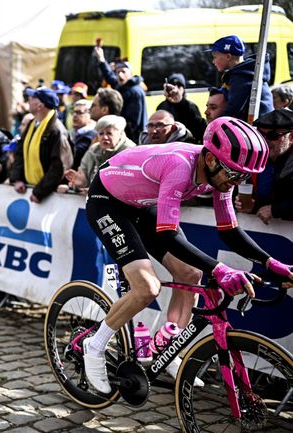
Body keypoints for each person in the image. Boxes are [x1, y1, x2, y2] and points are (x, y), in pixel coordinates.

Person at [80, 117, 293, 394]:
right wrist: (221, 270)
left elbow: (230, 231)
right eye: (233, 173)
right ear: (211, 159)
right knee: (147, 288)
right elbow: (168, 234)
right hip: (108, 202)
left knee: (191, 274)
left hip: (144, 202)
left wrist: (271, 263)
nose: (235, 182)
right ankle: (94, 345)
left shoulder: (220, 177)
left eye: (242, 176)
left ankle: (167, 348)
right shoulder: (181, 167)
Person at [10, 87, 73, 203]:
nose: (29, 100)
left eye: (33, 98)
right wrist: (17, 179)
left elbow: (59, 166)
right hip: (29, 188)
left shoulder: (56, 130)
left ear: (40, 106)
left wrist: (39, 191)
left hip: (47, 196)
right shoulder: (32, 124)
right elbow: (20, 152)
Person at [238, 109, 293, 222]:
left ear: (291, 137)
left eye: (272, 135)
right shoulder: (254, 160)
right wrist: (252, 206)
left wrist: (275, 210)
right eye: (260, 134)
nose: (265, 140)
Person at [208, 35, 273, 120]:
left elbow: (233, 107)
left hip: (261, 125)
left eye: (215, 57)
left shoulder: (241, 77)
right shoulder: (243, 73)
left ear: (228, 56)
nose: (213, 61)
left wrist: (218, 122)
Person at [64, 115, 135, 192]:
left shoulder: (130, 152)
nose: (104, 137)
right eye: (101, 133)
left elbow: (126, 186)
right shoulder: (94, 150)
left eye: (109, 133)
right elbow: (83, 181)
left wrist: (97, 191)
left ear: (120, 134)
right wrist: (79, 184)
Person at [94, 47, 147, 140]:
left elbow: (134, 123)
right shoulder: (122, 86)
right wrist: (101, 60)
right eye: (118, 72)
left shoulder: (135, 92)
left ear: (130, 74)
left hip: (134, 137)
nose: (120, 75)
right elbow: (109, 76)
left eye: (123, 72)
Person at [156, 72, 206, 140]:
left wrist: (180, 102)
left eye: (179, 86)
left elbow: (200, 129)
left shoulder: (190, 106)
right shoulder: (162, 106)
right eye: (172, 86)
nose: (175, 89)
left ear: (183, 88)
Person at [69, 99, 96, 170]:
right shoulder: (73, 131)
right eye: (74, 112)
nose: (74, 115)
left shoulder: (92, 134)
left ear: (89, 114)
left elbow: (75, 154)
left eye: (79, 112)